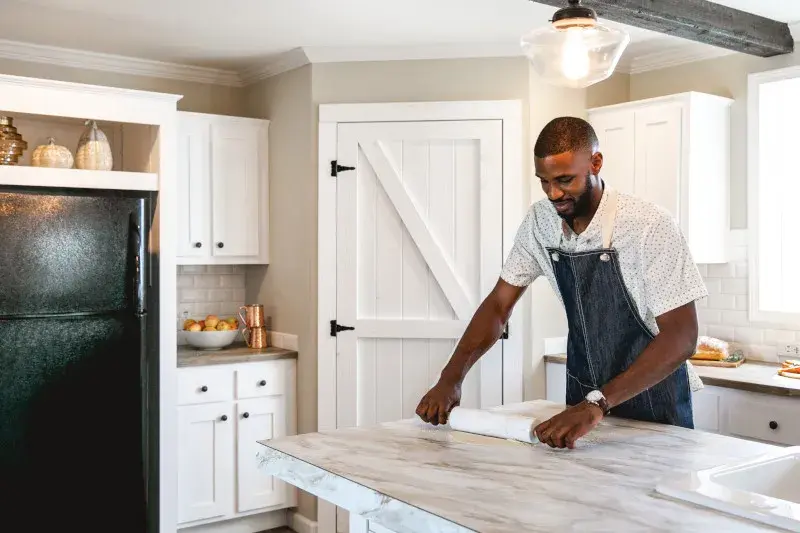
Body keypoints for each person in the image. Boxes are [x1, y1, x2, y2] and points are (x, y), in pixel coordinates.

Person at [415, 116, 707, 449]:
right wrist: (451, 377)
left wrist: (597, 404)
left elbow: (682, 338)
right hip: (582, 402)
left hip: (655, 402)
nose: (554, 193)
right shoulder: (541, 222)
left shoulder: (648, 225)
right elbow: (498, 304)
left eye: (565, 180)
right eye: (544, 181)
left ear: (595, 163)